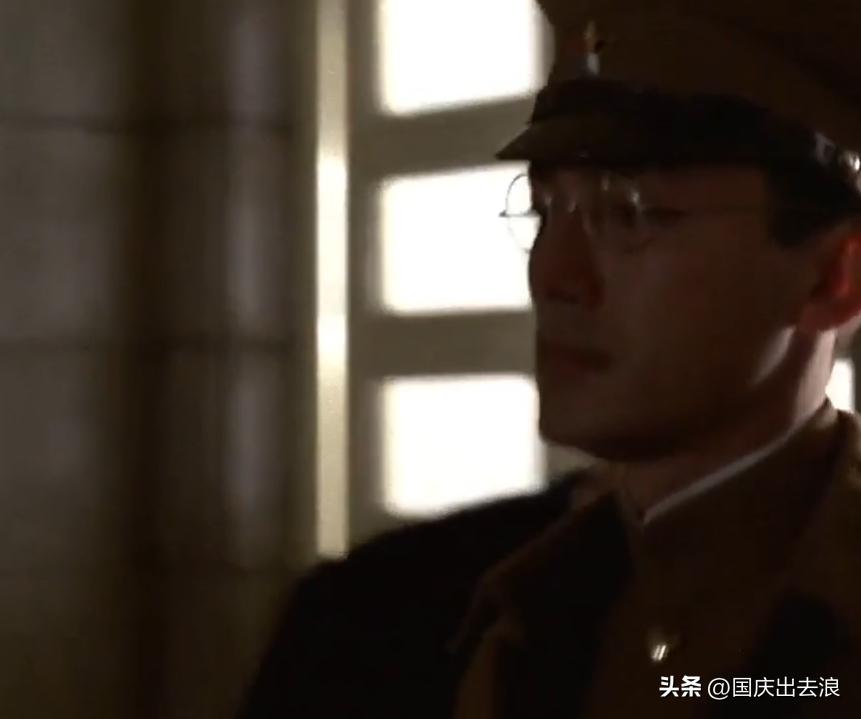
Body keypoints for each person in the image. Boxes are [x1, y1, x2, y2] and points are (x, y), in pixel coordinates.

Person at [239, 1, 861, 716]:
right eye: (543, 209)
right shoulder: (389, 622)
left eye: (630, 213)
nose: (553, 274)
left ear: (831, 279)